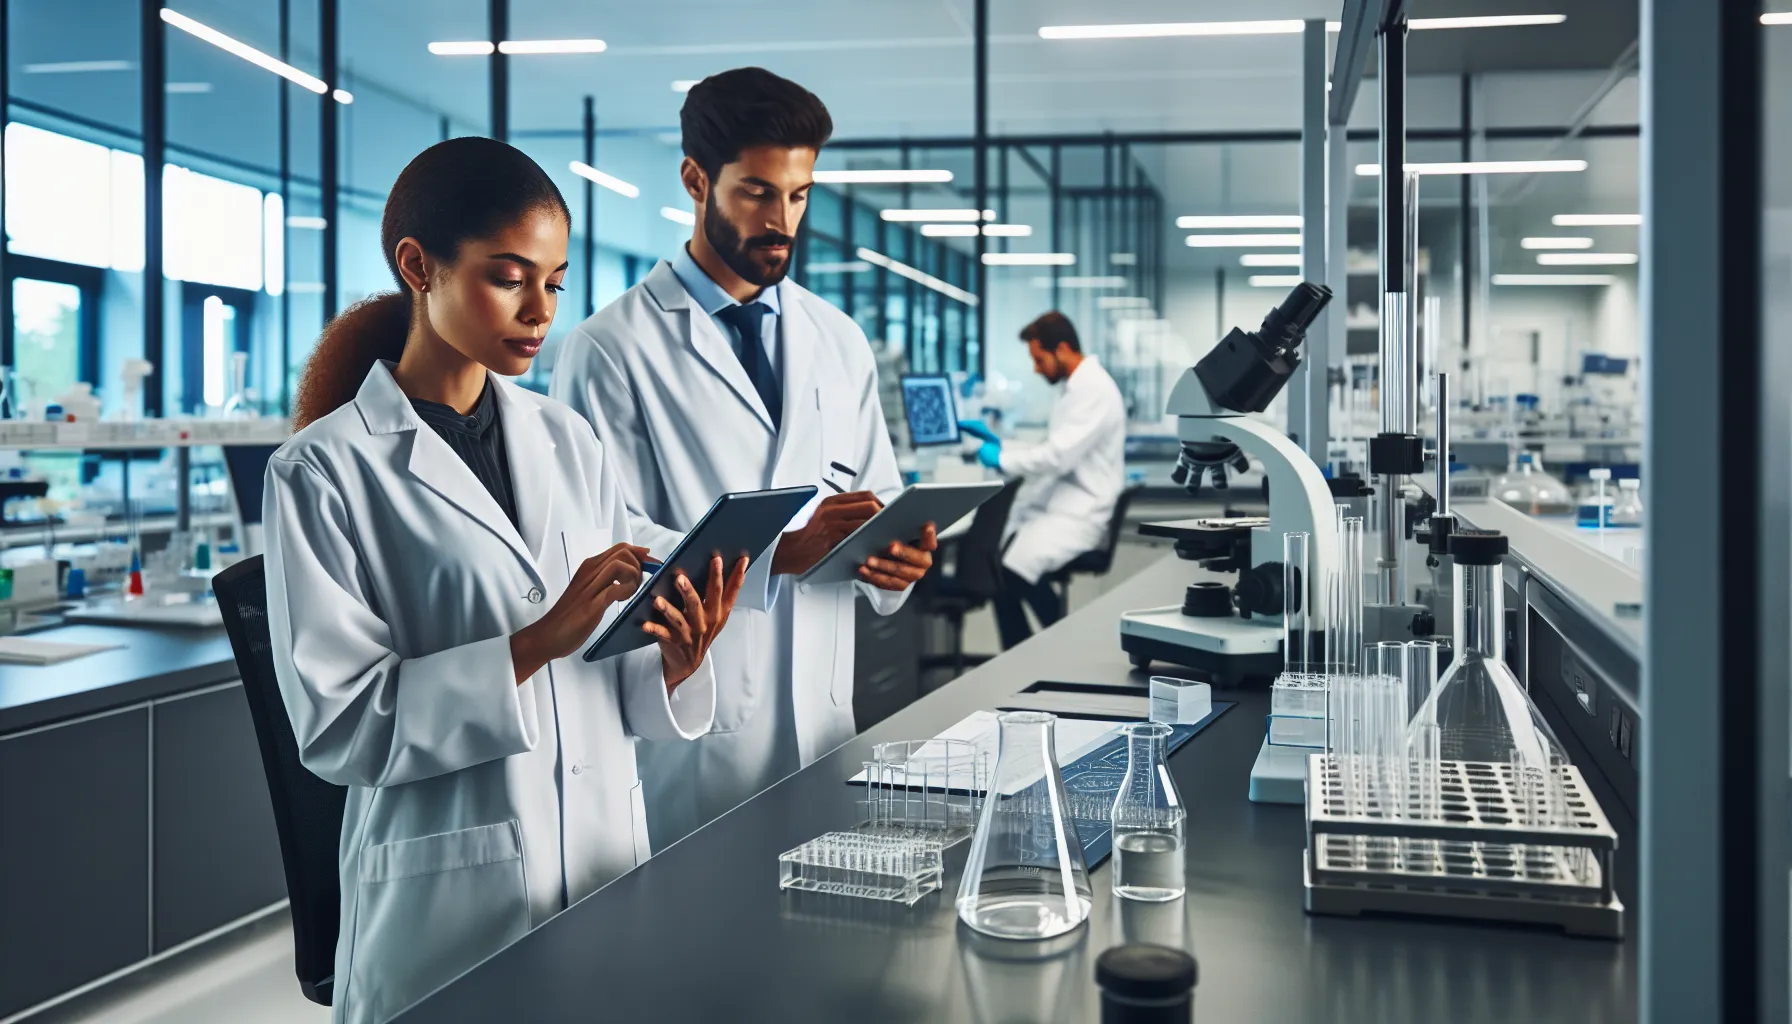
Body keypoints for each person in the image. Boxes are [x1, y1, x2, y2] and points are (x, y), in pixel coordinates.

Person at [265, 137, 746, 1024]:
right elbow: (339, 727)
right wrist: (533, 643)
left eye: (555, 283)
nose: (539, 312)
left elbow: (602, 669)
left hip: (603, 865)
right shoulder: (323, 472)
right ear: (419, 266)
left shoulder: (567, 439)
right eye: (509, 277)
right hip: (450, 906)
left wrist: (672, 657)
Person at [550, 67, 935, 847]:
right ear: (696, 180)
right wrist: (779, 556)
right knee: (704, 949)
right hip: (697, 728)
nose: (782, 220)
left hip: (825, 715)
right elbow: (604, 551)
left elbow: (875, 495)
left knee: (822, 934)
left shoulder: (839, 339)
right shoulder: (611, 349)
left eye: (798, 195)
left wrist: (894, 556)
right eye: (758, 193)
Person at [961, 312, 1125, 649]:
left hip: (1082, 512)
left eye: (1039, 359)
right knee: (1000, 568)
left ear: (1062, 348)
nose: (1036, 368)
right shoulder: (1075, 388)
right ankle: (1022, 652)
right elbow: (1056, 447)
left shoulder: (1092, 389)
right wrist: (1002, 445)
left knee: (1012, 570)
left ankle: (1059, 648)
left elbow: (1057, 456)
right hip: (1066, 505)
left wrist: (1002, 458)